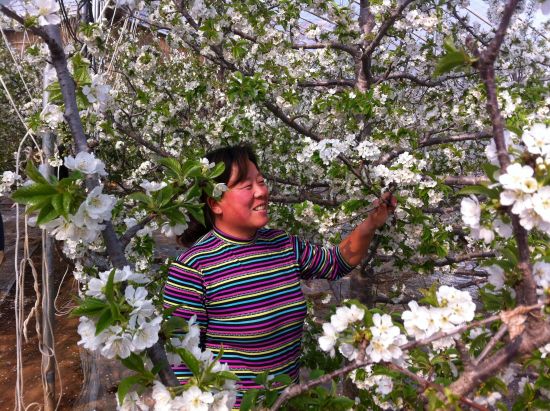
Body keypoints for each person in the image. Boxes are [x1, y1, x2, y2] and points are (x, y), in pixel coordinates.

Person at [163, 145, 396, 408]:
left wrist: (371, 223)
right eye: (247, 186)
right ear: (215, 202)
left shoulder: (282, 245)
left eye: (261, 182)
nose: (261, 191)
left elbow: (337, 262)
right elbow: (179, 363)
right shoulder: (194, 267)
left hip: (287, 402)